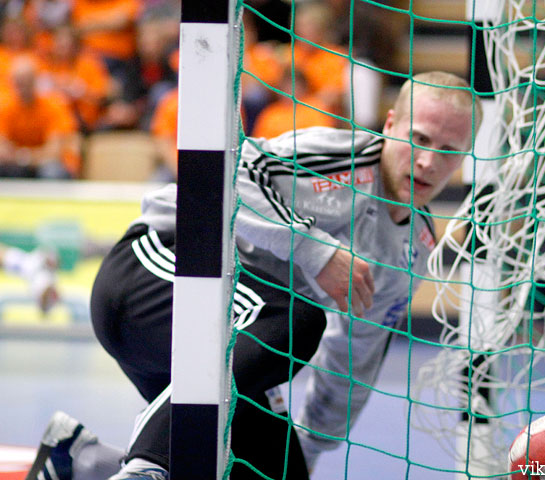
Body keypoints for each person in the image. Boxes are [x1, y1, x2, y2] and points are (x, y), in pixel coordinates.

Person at [25, 71, 481, 480]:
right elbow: (219, 179)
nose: (428, 162)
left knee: (267, 469)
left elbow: (354, 358)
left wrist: (307, 447)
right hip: (156, 273)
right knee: (298, 319)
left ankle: (79, 458)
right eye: (419, 139)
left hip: (233, 339)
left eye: (449, 151)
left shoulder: (411, 250)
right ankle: (145, 471)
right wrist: (314, 247)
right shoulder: (333, 159)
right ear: (389, 126)